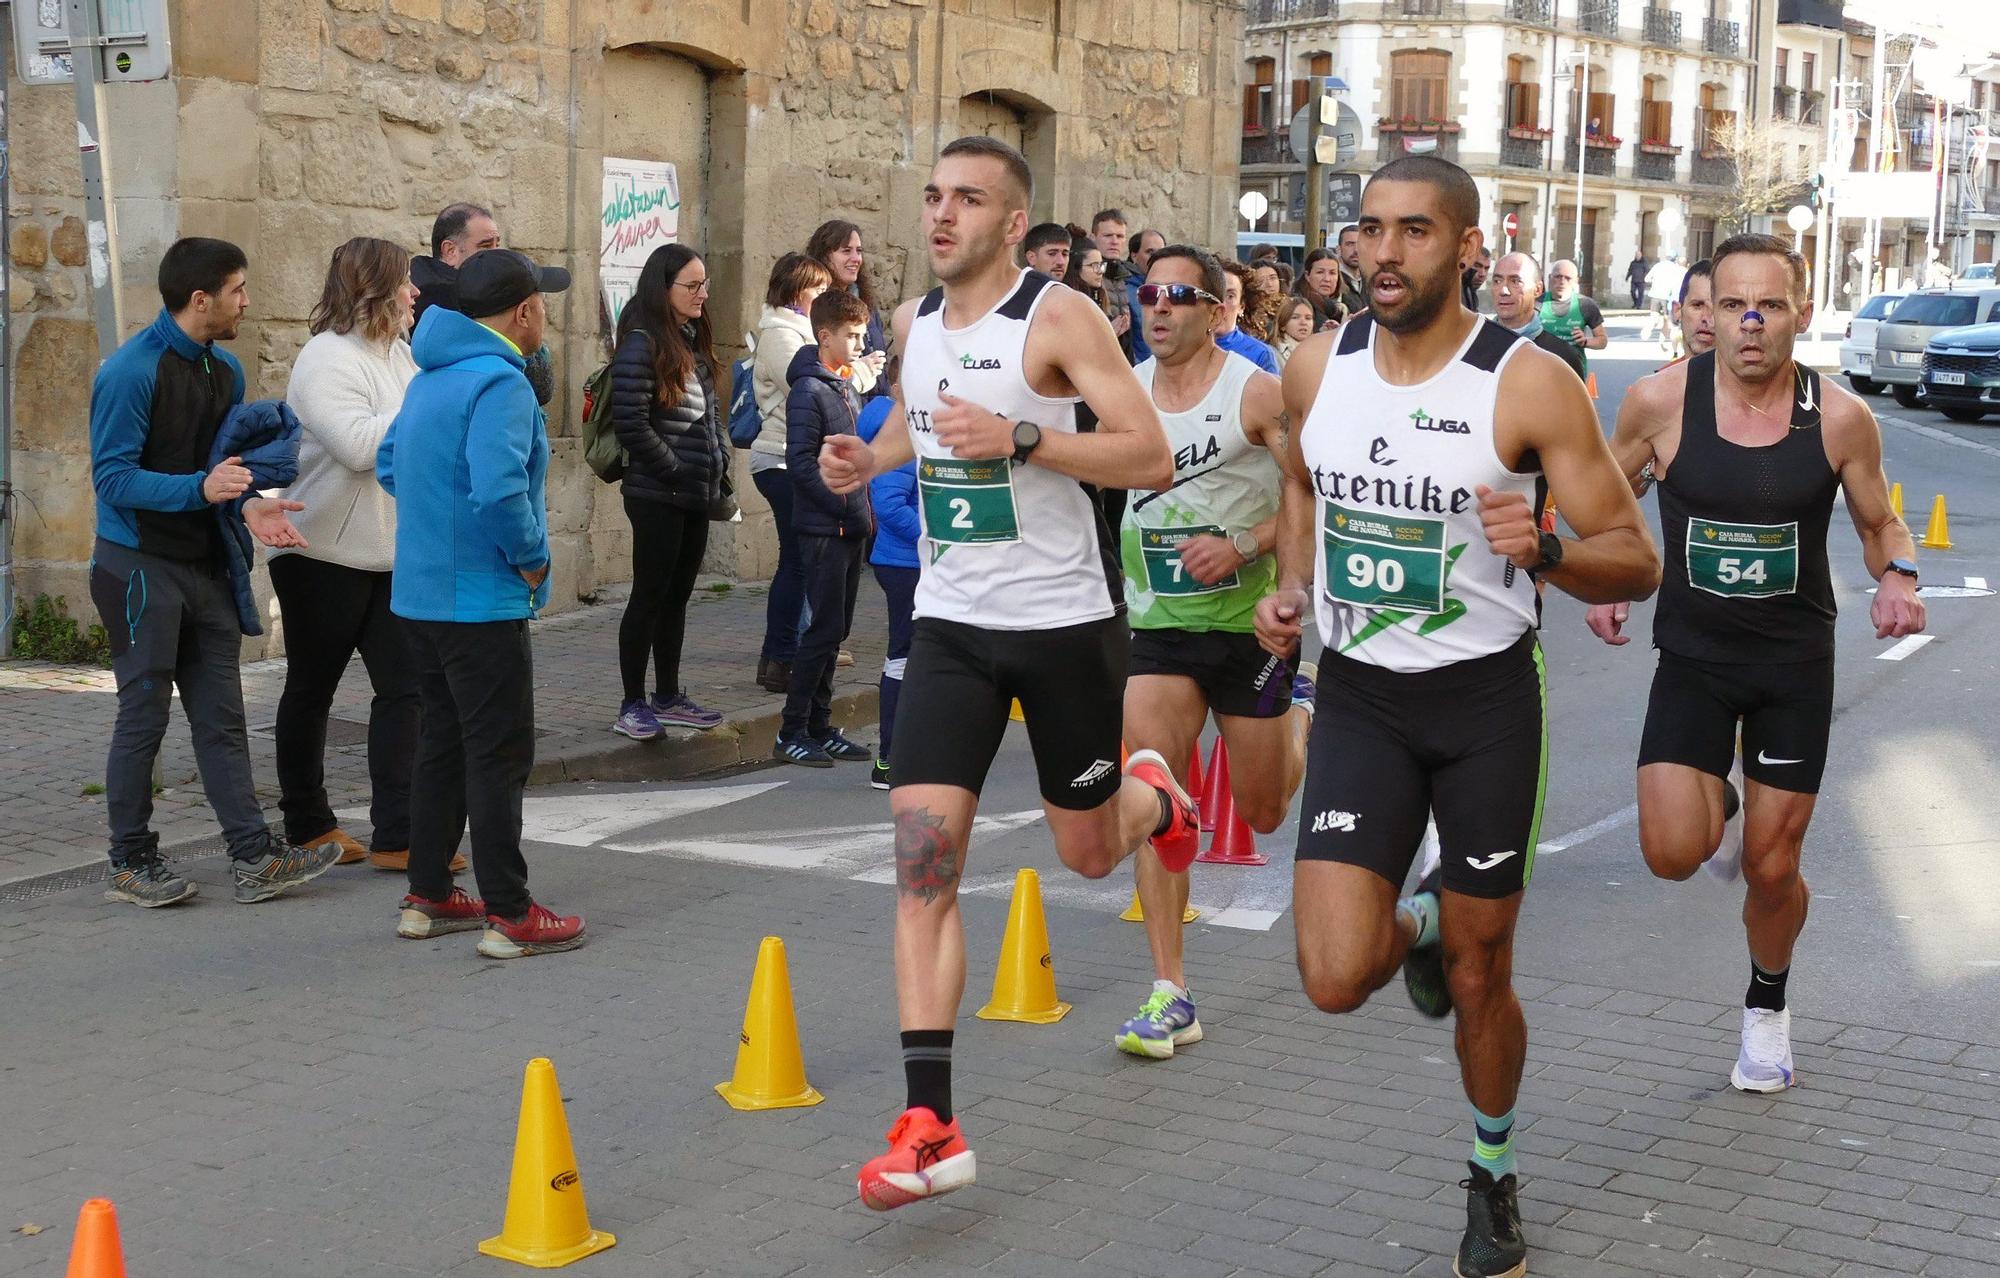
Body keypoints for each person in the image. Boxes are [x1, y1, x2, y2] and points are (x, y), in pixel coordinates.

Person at [1256, 156, 1660, 1278]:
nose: (1382, 253)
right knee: (1335, 976)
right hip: (1360, 699)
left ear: (1468, 248)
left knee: (1483, 973)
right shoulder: (1314, 367)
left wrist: (1549, 550)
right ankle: (1419, 925)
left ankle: (1492, 1173)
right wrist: (1290, 586)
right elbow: (1302, 484)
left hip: (1485, 701)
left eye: (1415, 231)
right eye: (1370, 229)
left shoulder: (1527, 385)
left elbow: (1635, 561)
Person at [815, 135, 1195, 1211]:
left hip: (1064, 624)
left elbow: (1149, 453)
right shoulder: (913, 322)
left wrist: (1022, 438)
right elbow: (916, 419)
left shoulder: (1058, 319)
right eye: (933, 195)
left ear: (1013, 221)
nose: (941, 215)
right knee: (923, 866)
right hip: (952, 625)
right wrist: (870, 456)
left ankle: (1153, 798)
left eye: (968, 199)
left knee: (1087, 852)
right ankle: (930, 1126)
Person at [1587, 233, 1924, 1094]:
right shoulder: (1659, 401)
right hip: (1693, 659)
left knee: (1773, 869)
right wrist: (1606, 572)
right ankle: (1724, 805)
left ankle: (1767, 1009)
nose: (1748, 322)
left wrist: (1898, 574)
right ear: (1708, 311)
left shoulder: (1840, 417)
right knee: (1672, 852)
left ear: (1800, 314)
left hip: (1791, 666)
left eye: (1768, 306)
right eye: (1732, 303)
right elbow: (1607, 494)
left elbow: (1879, 520)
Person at [88, 236, 338, 908]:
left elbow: (220, 471)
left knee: (223, 720)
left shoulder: (224, 371)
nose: (247, 302)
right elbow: (112, 479)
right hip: (138, 568)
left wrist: (251, 505)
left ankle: (253, 857)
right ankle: (128, 862)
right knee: (143, 718)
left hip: (206, 568)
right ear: (200, 299)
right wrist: (199, 490)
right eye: (237, 290)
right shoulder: (129, 373)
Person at [1113, 245, 1315, 1060]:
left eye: (1176, 295)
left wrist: (1248, 547)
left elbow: (1311, 490)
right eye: (1147, 294)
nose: (1158, 308)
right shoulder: (1121, 392)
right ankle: (1171, 991)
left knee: (1262, 811)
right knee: (1158, 795)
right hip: (1158, 626)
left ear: (1215, 311)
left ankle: (1302, 713)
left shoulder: (1255, 392)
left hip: (1246, 629)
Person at [378, 248, 583, 957]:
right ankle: (509, 912)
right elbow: (498, 490)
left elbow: (390, 463)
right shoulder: (502, 383)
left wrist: (440, 513)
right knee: (497, 754)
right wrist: (531, 558)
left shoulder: (429, 379)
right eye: (542, 305)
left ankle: (429, 894)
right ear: (524, 312)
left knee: (441, 744)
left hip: (420, 596)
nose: (544, 317)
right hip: (481, 601)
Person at [273, 237, 454, 875]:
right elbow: (355, 446)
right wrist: (432, 414)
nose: (415, 293)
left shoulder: (401, 355)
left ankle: (398, 834)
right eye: (404, 282)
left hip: (391, 553)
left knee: (406, 691)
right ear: (375, 289)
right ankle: (307, 824)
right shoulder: (324, 357)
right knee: (312, 689)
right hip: (320, 553)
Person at [609, 243, 733, 740]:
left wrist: (718, 459)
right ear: (664, 289)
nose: (703, 294)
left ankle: (668, 696)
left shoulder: (689, 340)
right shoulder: (642, 343)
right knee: (649, 594)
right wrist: (676, 469)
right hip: (657, 493)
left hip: (695, 492)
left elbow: (712, 413)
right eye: (692, 285)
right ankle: (632, 703)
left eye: (706, 284)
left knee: (677, 596)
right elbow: (631, 423)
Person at [773, 290, 876, 767]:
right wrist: (841, 503)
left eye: (862, 335)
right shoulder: (809, 391)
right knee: (821, 632)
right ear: (825, 336)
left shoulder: (845, 386)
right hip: (824, 529)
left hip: (850, 526)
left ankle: (819, 725)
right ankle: (791, 730)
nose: (860, 344)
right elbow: (799, 462)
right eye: (851, 336)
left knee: (836, 630)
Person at [748, 253, 835, 696]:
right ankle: (783, 658)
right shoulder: (782, 334)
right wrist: (854, 372)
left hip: (795, 457)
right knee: (798, 562)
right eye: (818, 289)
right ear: (797, 291)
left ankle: (778, 657)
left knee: (798, 561)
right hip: (780, 457)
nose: (825, 295)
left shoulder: (800, 332)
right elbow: (808, 387)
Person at [411, 203, 554, 407]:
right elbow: (539, 387)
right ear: (450, 251)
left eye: (497, 245)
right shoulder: (464, 303)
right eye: (485, 246)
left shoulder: (420, 293)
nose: (496, 254)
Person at [859, 368, 914, 792]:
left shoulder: (920, 427)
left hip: (920, 562)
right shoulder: (896, 431)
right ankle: (889, 759)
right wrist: (938, 539)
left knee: (924, 658)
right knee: (903, 657)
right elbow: (890, 505)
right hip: (906, 564)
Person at [805, 219, 890, 395]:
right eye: (846, 251)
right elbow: (819, 371)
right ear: (825, 256)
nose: (856, 258)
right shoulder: (815, 308)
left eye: (859, 251)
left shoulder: (867, 305)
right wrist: (861, 370)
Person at [1490, 251, 1587, 382]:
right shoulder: (1473, 346)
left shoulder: (1562, 357)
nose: (1504, 291)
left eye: (1515, 281)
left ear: (1537, 289)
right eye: (1497, 281)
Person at [1540, 259, 1608, 397]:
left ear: (1576, 281)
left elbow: (1602, 341)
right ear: (1550, 277)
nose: (1562, 281)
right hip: (1542, 372)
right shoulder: (1536, 303)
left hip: (1574, 372)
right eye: (1558, 276)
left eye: (1568, 278)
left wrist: (1585, 341)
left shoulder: (1586, 305)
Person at [1214, 261, 1280, 373]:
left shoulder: (1260, 354)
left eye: (1230, 296)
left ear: (1241, 306)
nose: (1221, 304)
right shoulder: (1185, 349)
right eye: (1215, 294)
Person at [1665, 258, 1715, 363]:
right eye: (1697, 305)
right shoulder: (1663, 374)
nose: (1706, 318)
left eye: (1717, 308)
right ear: (1677, 310)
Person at [1298, 247, 1347, 330]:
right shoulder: (1297, 306)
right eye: (1320, 272)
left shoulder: (1342, 307)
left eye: (1332, 273)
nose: (1327, 279)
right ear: (1307, 275)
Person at [1645, 254, 1687, 349]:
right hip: (1666, 296)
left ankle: (1649, 328)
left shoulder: (1658, 265)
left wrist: (1655, 282)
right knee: (1667, 320)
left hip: (1654, 295)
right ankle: (1662, 340)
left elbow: (1646, 279)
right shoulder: (1675, 269)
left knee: (1654, 316)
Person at [1273, 295, 1318, 369]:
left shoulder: (1319, 351)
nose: (1303, 323)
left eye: (1308, 318)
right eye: (1295, 317)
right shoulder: (1273, 353)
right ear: (1282, 325)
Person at [1336, 223, 1370, 316]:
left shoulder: (1371, 281)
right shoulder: (1333, 281)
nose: (1356, 250)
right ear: (1339, 249)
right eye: (1350, 244)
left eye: (1360, 244)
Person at [1461, 246, 1491, 312]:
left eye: (1486, 268)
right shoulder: (1454, 292)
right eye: (1477, 266)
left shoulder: (1470, 292)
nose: (1482, 274)